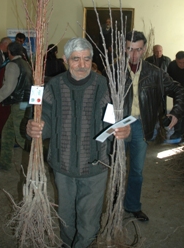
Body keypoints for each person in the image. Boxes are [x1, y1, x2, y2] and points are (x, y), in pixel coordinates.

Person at [26, 37, 130, 248]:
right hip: (62, 166)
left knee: (89, 220)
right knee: (65, 215)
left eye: (86, 59)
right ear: (65, 60)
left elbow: (116, 122)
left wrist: (123, 130)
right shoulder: (52, 87)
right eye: (76, 59)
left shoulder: (106, 87)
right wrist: (32, 129)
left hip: (95, 165)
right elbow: (40, 122)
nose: (82, 65)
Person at [123, 31, 184, 221]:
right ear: (124, 48)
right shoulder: (114, 70)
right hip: (118, 126)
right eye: (129, 49)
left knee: (137, 171)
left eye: (138, 49)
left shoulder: (155, 73)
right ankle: (113, 203)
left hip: (141, 125)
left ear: (145, 49)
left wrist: (175, 112)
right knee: (115, 168)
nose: (134, 55)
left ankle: (132, 206)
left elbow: (179, 89)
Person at [0, 41, 33, 170]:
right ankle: (4, 163)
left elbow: (7, 88)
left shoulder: (12, 65)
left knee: (22, 138)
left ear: (9, 52)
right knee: (7, 132)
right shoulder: (25, 64)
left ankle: (38, 163)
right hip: (25, 104)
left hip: (18, 104)